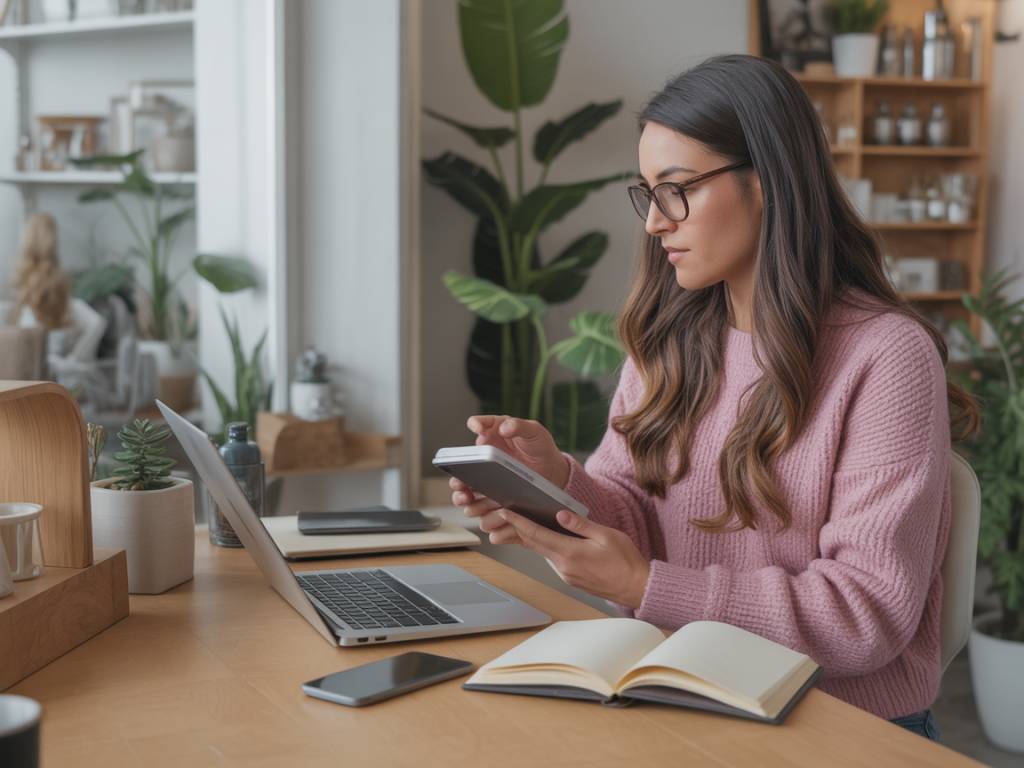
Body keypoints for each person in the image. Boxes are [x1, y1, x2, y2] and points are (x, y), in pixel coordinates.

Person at [449, 54, 979, 744]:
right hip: (683, 697)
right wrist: (555, 483)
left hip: (840, 728)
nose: (654, 222)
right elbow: (635, 515)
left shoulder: (885, 356)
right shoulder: (668, 340)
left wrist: (646, 587)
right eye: (648, 194)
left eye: (677, 190)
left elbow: (866, 612)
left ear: (769, 180)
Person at [10, 212, 106, 371]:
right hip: (48, 363)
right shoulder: (54, 280)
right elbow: (96, 323)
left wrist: (71, 361)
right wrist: (74, 359)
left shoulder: (25, 282)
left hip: (40, 365)